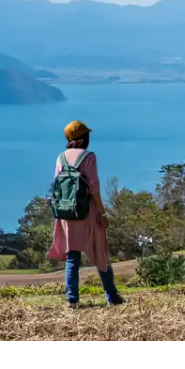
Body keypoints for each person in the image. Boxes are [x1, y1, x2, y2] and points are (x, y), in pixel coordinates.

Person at [47, 119, 125, 308]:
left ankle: (72, 299)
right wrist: (103, 213)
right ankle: (111, 296)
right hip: (86, 212)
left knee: (72, 256)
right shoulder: (89, 156)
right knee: (100, 252)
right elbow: (94, 188)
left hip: (67, 213)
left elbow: (57, 186)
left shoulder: (60, 158)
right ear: (82, 139)